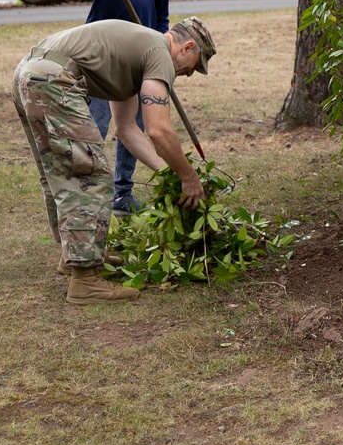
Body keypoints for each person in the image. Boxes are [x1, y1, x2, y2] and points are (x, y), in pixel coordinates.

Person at [12, 16, 216, 305]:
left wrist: (168, 174)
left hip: (30, 72)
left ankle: (75, 256)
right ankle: (84, 282)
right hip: (52, 78)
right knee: (88, 175)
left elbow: (126, 129)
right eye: (196, 64)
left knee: (62, 171)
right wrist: (188, 177)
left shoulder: (140, 50)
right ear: (188, 47)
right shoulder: (159, 53)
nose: (191, 73)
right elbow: (158, 130)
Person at [56, 0, 175, 215]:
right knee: (94, 127)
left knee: (133, 127)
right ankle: (86, 195)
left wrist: (160, 48)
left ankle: (122, 194)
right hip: (99, 61)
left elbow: (161, 17)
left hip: (141, 61)